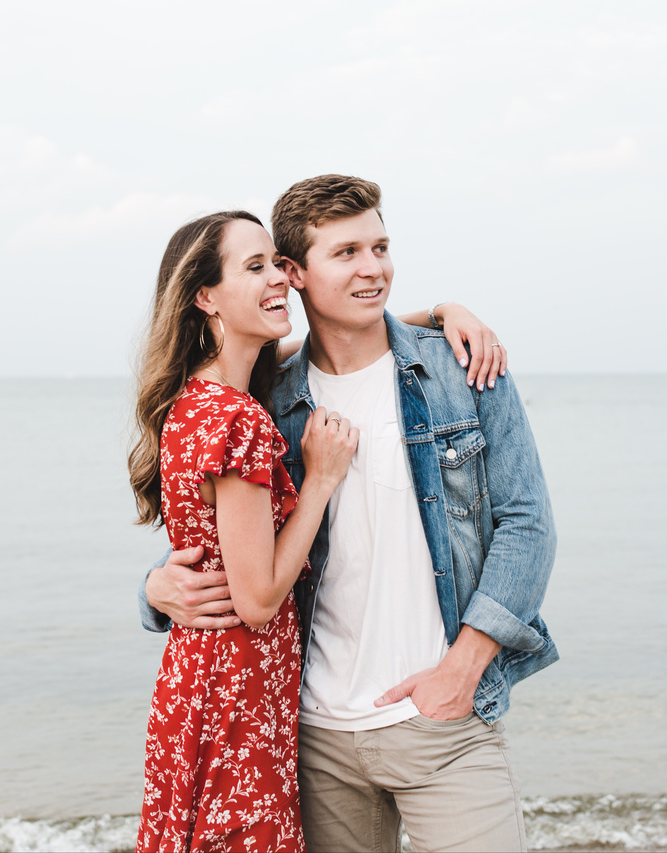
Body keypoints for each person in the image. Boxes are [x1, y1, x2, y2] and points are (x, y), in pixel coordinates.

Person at [141, 174, 555, 853]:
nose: (373, 269)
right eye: (346, 253)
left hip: (443, 727)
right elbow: (228, 538)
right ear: (295, 273)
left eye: (380, 246)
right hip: (315, 738)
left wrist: (462, 668)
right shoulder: (270, 397)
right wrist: (155, 589)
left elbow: (526, 523)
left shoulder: (461, 370)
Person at [129, 210, 359, 853]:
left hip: (199, 681)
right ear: (205, 296)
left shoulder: (193, 403)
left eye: (279, 264)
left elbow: (335, 337)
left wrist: (443, 313)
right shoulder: (236, 419)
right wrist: (318, 482)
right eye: (253, 267)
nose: (279, 279)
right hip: (236, 694)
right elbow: (258, 601)